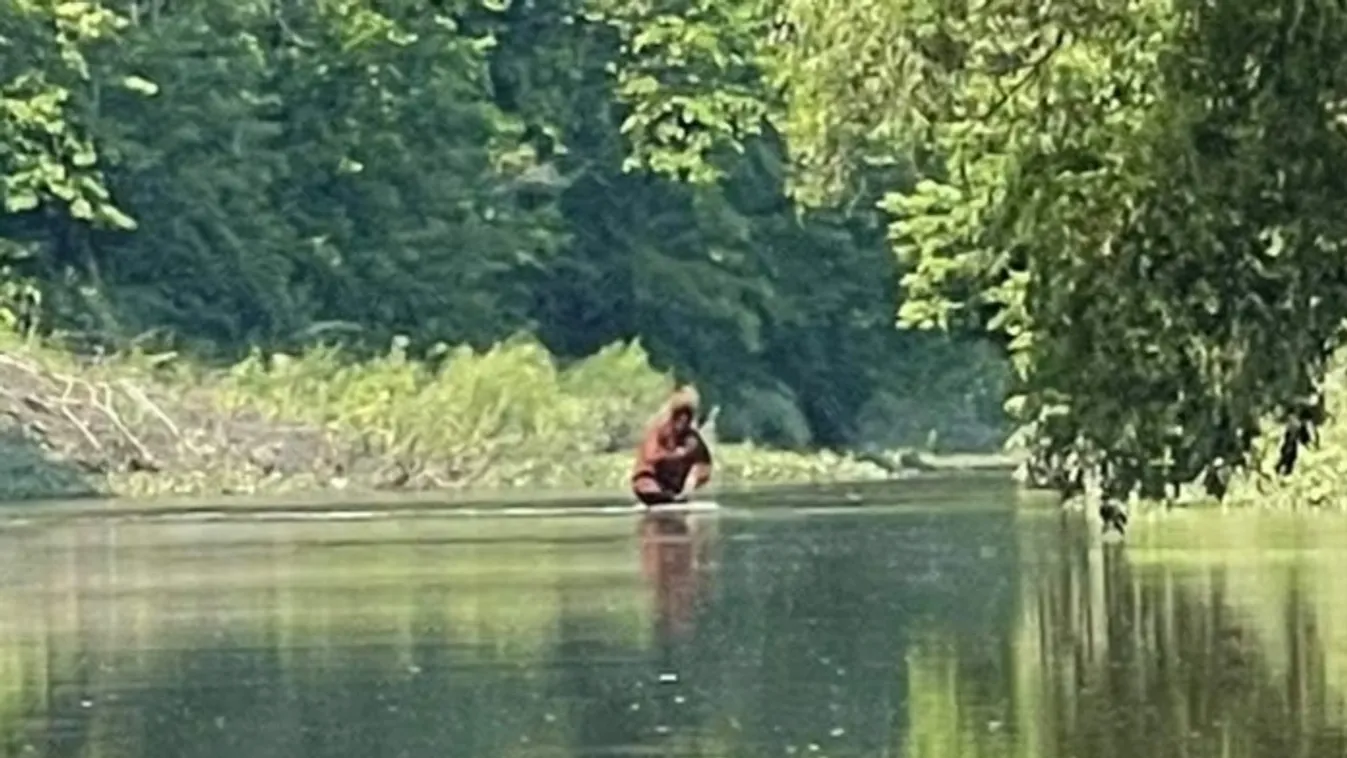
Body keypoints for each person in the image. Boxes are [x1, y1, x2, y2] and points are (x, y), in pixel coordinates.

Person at [631, 387, 713, 506]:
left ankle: (676, 495)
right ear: (673, 415)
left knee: (697, 468)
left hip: (674, 487)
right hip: (650, 481)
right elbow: (649, 457)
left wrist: (692, 480)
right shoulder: (658, 430)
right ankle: (663, 495)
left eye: (686, 418)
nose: (682, 422)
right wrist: (675, 455)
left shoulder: (692, 437)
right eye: (679, 417)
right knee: (646, 484)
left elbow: (706, 466)